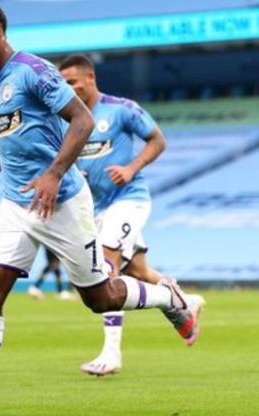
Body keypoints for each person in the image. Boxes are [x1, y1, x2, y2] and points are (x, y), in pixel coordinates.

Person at [0, 2, 200, 416]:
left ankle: (168, 297)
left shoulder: (33, 71)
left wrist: (54, 175)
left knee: (101, 298)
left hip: (63, 203)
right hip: (17, 203)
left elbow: (82, 121)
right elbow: (17, 134)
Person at [59, 54, 206, 376]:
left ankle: (111, 354)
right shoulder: (68, 119)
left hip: (129, 200)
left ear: (90, 78)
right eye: (63, 84)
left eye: (72, 82)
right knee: (140, 272)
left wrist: (130, 168)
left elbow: (157, 140)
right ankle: (186, 301)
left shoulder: (120, 109)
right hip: (96, 208)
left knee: (105, 270)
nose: (68, 89)